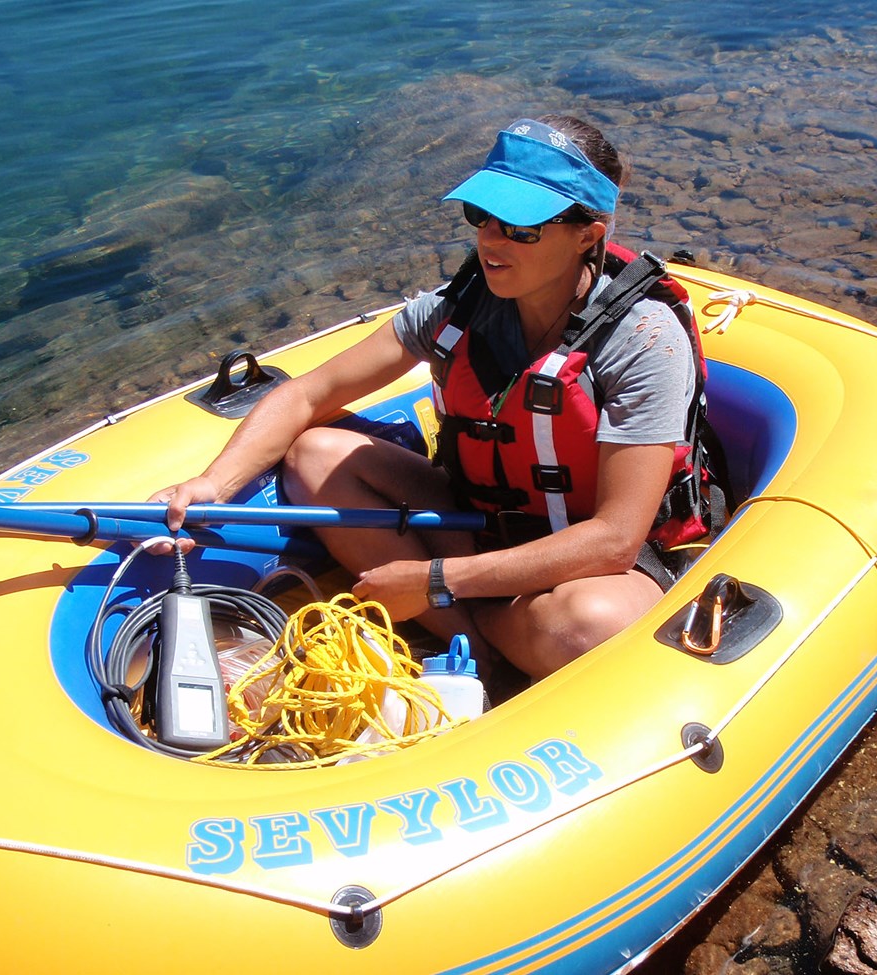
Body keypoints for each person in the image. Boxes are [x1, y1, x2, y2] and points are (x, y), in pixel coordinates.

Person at [152, 115, 699, 683]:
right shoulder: (452, 310)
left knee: (591, 624)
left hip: (589, 559)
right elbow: (309, 394)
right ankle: (479, 648)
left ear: (589, 232)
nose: (490, 239)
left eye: (522, 228)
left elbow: (614, 539)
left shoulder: (642, 338)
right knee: (315, 453)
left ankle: (471, 628)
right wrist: (213, 485)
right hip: (474, 519)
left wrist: (435, 580)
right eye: (481, 216)